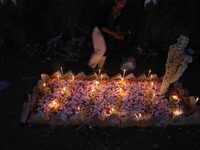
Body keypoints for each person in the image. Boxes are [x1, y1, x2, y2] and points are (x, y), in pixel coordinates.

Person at [88, 0, 127, 73]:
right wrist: (114, 34)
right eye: (122, 3)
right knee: (101, 48)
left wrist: (118, 33)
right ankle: (92, 65)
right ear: (116, 1)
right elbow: (101, 25)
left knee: (106, 47)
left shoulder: (118, 11)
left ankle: (100, 66)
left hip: (105, 28)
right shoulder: (107, 9)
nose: (123, 5)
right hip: (97, 28)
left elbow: (116, 23)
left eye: (125, 3)